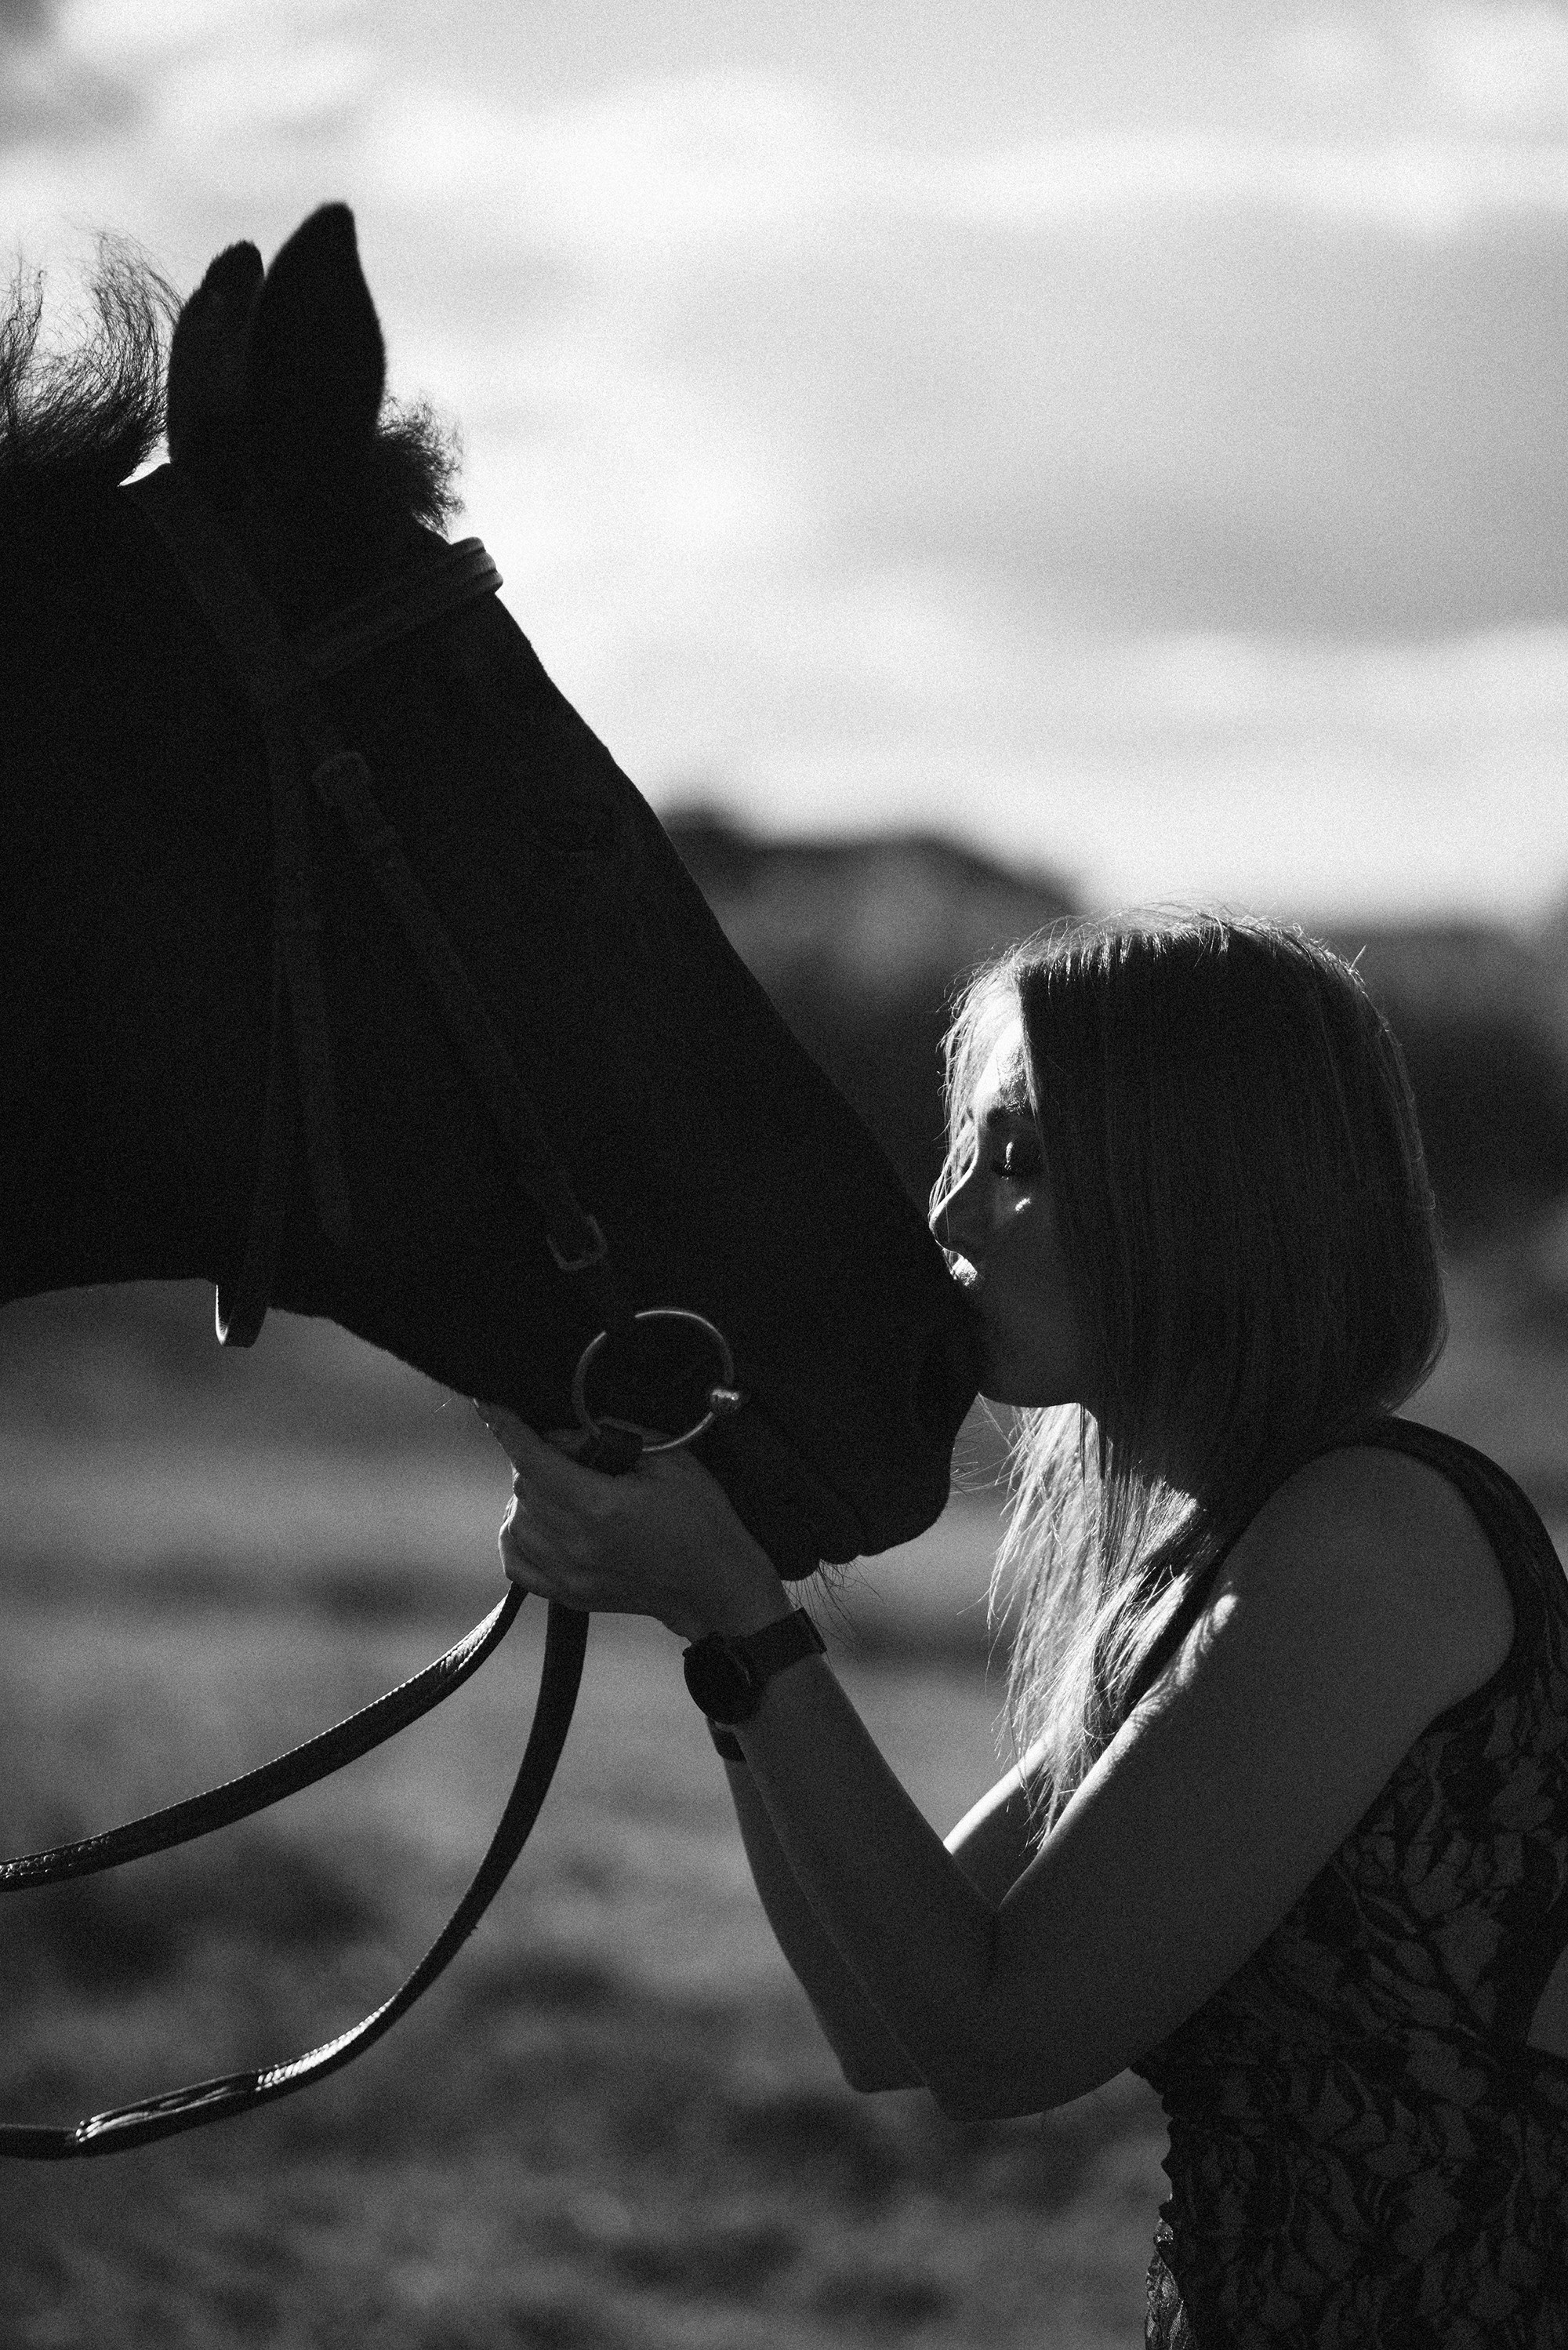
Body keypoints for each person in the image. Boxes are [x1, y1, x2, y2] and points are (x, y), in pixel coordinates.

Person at [485, 910, 1568, 2346]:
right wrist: (725, 1612)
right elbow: (886, 2018)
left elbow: (997, 2037)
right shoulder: (1226, 1554)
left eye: (1019, 1160)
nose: (945, 1218)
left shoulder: (1368, 1537)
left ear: (1203, 1190)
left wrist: (737, 1610)